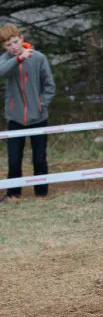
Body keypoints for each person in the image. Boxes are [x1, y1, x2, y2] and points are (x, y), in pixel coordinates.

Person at [0, 24, 56, 202]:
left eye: (15, 42)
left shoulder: (39, 58)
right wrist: (18, 59)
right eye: (8, 45)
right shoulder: (5, 60)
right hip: (15, 119)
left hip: (38, 117)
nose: (13, 47)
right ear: (4, 47)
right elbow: (2, 72)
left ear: (21, 39)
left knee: (39, 158)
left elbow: (49, 85)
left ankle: (41, 193)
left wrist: (42, 104)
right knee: (14, 160)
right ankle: (13, 194)